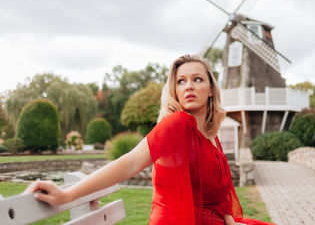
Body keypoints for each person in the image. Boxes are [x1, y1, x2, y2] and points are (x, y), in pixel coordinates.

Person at [25, 54, 275, 225]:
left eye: (197, 79)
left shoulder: (212, 136)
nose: (189, 86)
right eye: (181, 81)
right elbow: (131, 162)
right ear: (175, 90)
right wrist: (67, 195)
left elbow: (220, 196)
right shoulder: (178, 124)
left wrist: (230, 220)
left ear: (210, 88)